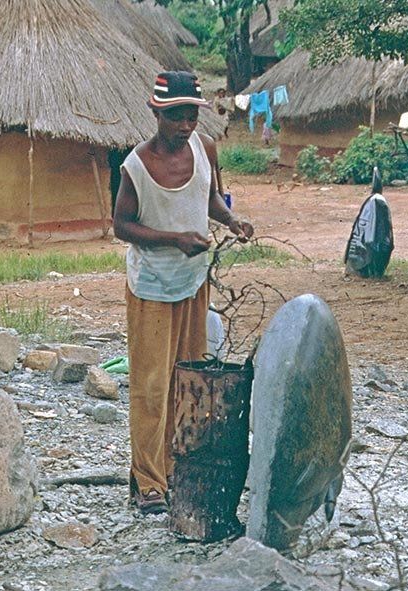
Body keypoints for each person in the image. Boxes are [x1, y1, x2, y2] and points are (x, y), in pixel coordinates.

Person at [113, 72, 254, 514]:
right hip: (152, 286)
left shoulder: (204, 148)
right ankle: (148, 480)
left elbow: (210, 197)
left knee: (189, 379)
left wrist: (231, 221)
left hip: (194, 282)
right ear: (156, 113)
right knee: (151, 386)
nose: (185, 126)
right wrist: (174, 238)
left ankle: (179, 465)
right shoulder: (136, 165)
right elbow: (122, 226)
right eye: (175, 116)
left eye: (191, 116)